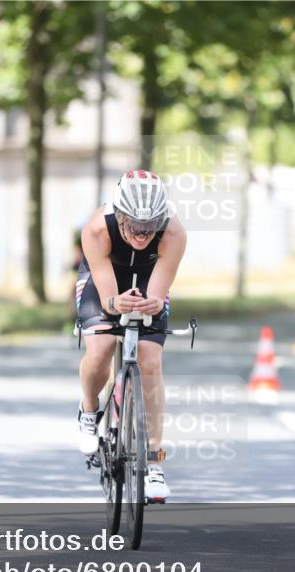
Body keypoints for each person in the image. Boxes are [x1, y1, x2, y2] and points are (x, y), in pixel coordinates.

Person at [75, 170, 187, 502]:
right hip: (104, 280)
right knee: (102, 346)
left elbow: (158, 291)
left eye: (150, 226)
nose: (142, 233)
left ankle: (154, 462)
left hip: (150, 279)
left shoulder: (174, 233)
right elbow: (109, 299)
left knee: (150, 360)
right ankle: (89, 410)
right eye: (135, 226)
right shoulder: (97, 229)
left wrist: (151, 303)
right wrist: (114, 302)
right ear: (119, 214)